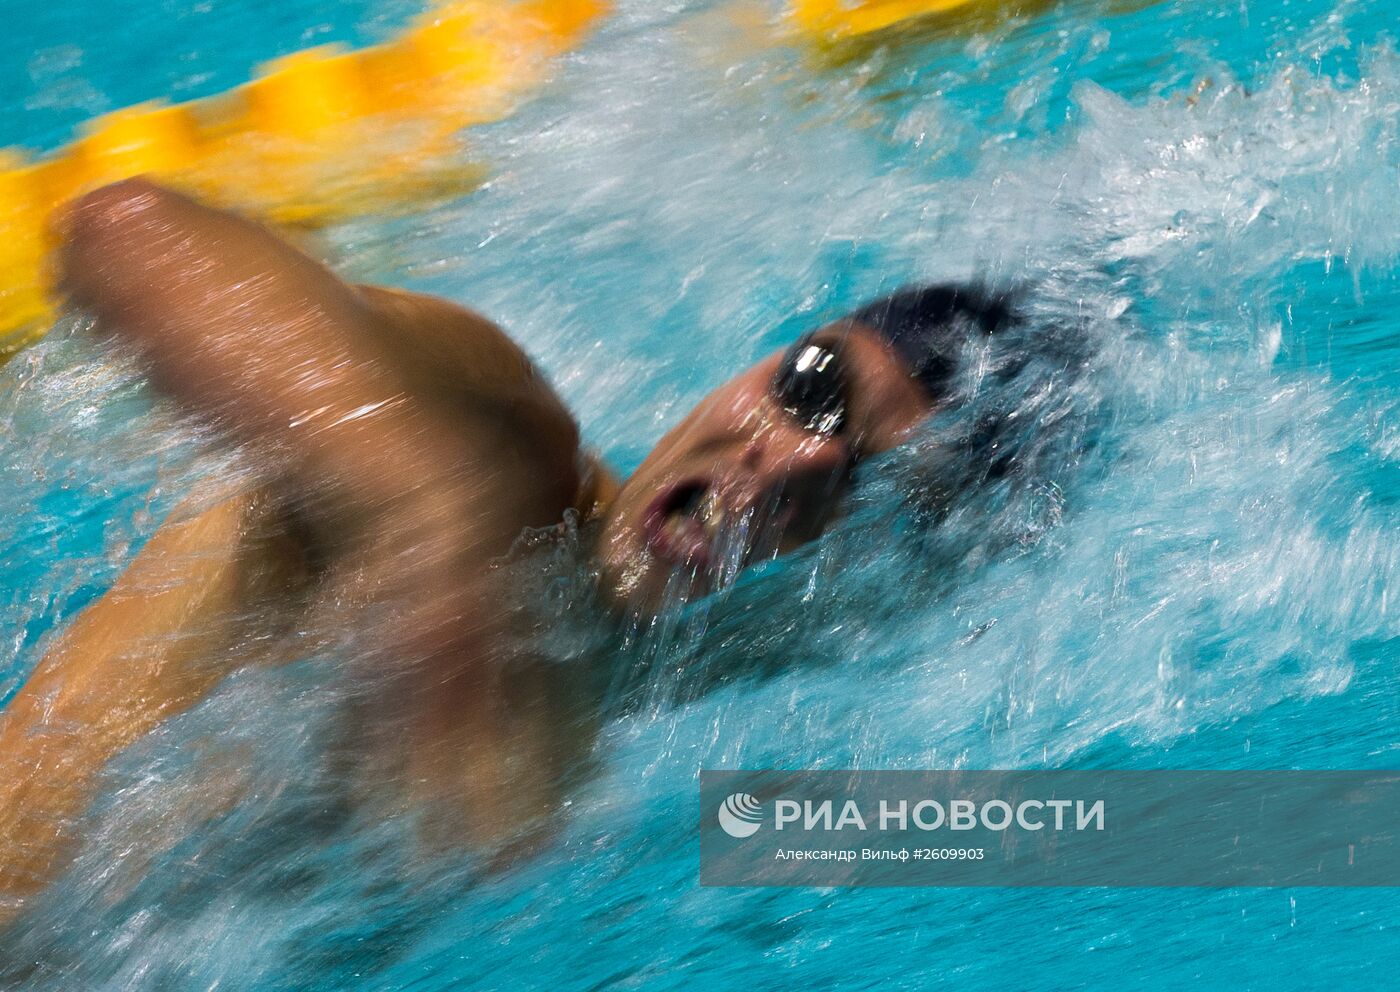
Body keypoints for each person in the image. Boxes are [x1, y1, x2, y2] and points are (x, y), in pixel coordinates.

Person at [0, 178, 1014, 920]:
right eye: (811, 384)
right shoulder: (507, 453)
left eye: (864, 476)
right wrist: (430, 510)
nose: (787, 457)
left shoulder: (702, 702)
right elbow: (126, 231)